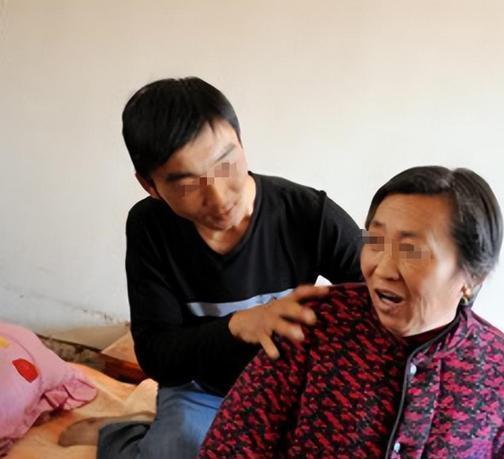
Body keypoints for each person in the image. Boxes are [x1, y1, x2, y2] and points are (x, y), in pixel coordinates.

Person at [61, 77, 363, 459]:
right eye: (187, 184)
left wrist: (424, 253)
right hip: (201, 390)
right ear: (150, 186)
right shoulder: (148, 227)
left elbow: (386, 265)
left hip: (288, 385)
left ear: (242, 142)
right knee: (181, 448)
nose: (219, 198)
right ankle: (124, 436)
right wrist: (238, 326)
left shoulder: (309, 212)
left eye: (226, 164)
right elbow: (156, 355)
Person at [199, 166, 504, 458]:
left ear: (473, 276)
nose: (382, 269)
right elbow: (232, 445)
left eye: (411, 250)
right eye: (375, 241)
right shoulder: (312, 324)